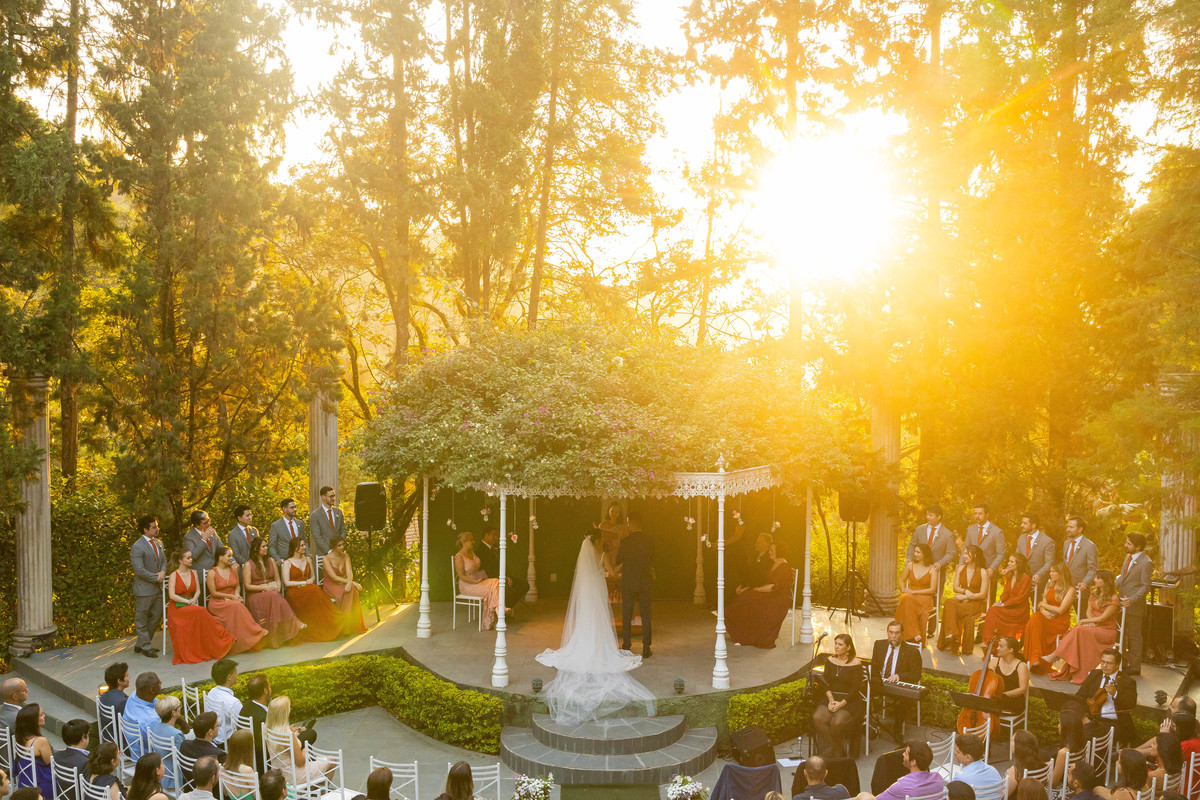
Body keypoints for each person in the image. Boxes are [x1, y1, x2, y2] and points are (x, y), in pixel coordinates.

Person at [534, 533, 655, 725]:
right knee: (598, 621)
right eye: (602, 540)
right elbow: (613, 572)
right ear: (597, 542)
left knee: (587, 621)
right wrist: (626, 563)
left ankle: (585, 644)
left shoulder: (587, 557)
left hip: (588, 594)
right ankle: (598, 647)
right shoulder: (601, 555)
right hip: (597, 591)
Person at [1045, 570, 1120, 682]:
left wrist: (1086, 622)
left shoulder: (1114, 597)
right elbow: (1089, 611)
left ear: (1106, 581)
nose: (1094, 580)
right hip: (1093, 627)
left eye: (1097, 578)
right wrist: (1090, 622)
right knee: (1079, 632)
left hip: (1107, 631)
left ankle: (1057, 654)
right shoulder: (1094, 593)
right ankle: (1071, 668)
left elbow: (1103, 618)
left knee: (1079, 629)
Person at [166, 548, 236, 664]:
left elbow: (198, 591)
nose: (191, 559)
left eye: (191, 557)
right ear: (180, 560)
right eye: (188, 558)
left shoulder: (194, 572)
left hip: (191, 606)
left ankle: (220, 642)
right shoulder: (174, 575)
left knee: (200, 612)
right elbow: (172, 595)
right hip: (177, 609)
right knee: (201, 611)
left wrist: (193, 599)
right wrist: (186, 601)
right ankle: (224, 637)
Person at [725, 536, 792, 650]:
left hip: (778, 598)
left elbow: (773, 587)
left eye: (772, 551)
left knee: (750, 597)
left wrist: (756, 590)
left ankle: (744, 632)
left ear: (778, 552)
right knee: (747, 596)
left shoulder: (784, 566)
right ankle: (737, 626)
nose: (769, 552)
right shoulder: (773, 563)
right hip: (770, 594)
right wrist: (750, 588)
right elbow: (764, 582)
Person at [242, 536, 305, 648]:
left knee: (275, 596)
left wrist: (278, 588)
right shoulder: (248, 564)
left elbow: (277, 579)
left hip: (272, 592)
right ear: (256, 548)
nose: (266, 548)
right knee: (274, 596)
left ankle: (276, 638)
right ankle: (294, 622)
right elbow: (247, 586)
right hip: (256, 595)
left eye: (266, 546)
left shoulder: (271, 561)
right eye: (263, 546)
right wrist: (264, 588)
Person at [204, 547, 268, 654]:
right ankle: (256, 631)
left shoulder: (233, 570)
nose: (231, 558)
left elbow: (237, 586)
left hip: (232, 599)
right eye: (228, 556)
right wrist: (232, 597)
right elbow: (213, 593)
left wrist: (237, 594)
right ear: (220, 558)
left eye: (231, 555)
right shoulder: (212, 573)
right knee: (236, 605)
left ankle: (247, 640)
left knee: (236, 605)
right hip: (218, 603)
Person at [812, 634, 864, 757]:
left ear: (848, 647)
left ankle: (834, 752)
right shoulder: (830, 660)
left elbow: (855, 689)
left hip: (848, 700)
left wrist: (841, 704)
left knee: (837, 722)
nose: (836, 646)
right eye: (835, 643)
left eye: (840, 644)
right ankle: (838, 750)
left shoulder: (856, 663)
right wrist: (831, 700)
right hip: (832, 697)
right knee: (817, 718)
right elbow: (826, 683)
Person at [282, 538, 343, 641]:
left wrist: (307, 582)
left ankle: (330, 622)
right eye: (301, 545)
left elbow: (313, 577)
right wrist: (303, 583)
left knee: (315, 589)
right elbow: (287, 583)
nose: (304, 547)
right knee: (314, 590)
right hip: (294, 591)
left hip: (308, 588)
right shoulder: (287, 562)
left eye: (304, 545)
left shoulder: (307, 559)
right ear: (295, 548)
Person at [871, 620, 922, 741]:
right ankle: (869, 722)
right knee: (862, 690)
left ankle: (897, 728)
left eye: (897, 633)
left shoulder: (912, 651)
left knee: (906, 698)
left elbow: (916, 674)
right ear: (887, 632)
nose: (893, 636)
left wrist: (899, 676)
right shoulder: (879, 645)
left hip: (897, 685)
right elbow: (873, 666)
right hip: (879, 683)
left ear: (902, 633)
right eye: (891, 632)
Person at [1076, 648, 1137, 746]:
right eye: (1103, 661)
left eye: (1109, 663)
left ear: (1117, 665)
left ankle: (1089, 758)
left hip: (1114, 723)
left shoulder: (1128, 682)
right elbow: (1080, 696)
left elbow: (1131, 704)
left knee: (1087, 734)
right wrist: (1084, 716)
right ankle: (1068, 754)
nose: (1104, 665)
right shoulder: (1094, 674)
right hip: (1091, 718)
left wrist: (1115, 694)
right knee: (1070, 725)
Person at [264, 696, 332, 784]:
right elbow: (300, 762)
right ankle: (322, 795)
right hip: (294, 775)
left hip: (278, 772)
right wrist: (305, 750)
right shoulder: (287, 735)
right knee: (332, 761)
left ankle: (311, 792)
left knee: (319, 762)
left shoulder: (268, 730)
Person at [617, 512, 656, 656]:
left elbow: (619, 560)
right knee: (646, 615)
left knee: (627, 615)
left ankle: (627, 646)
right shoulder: (650, 540)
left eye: (628, 523)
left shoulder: (625, 542)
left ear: (632, 524)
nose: (627, 525)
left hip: (628, 582)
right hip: (645, 582)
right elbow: (652, 558)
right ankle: (646, 647)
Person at [939, 545, 990, 654]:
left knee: (955, 610)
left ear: (975, 555)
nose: (964, 556)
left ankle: (954, 638)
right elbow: (955, 587)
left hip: (975, 603)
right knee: (949, 602)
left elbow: (982, 594)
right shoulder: (961, 568)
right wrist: (965, 591)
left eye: (967, 553)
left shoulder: (983, 572)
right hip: (962, 600)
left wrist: (965, 597)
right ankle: (953, 634)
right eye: (964, 553)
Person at [1026, 563, 1077, 672]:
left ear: (1061, 573)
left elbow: (1061, 610)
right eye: (1050, 571)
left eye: (1053, 571)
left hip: (1059, 622)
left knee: (1035, 619)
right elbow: (1042, 605)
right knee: (1035, 617)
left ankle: (1035, 658)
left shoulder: (1070, 590)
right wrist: (1043, 611)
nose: (1051, 574)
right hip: (1046, 617)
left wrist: (1042, 605)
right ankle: (1035, 658)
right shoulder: (1049, 585)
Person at [1115, 533, 1152, 675]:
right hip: (1120, 602)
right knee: (1120, 633)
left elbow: (1145, 586)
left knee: (1134, 636)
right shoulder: (1127, 557)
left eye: (1129, 543)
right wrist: (1108, 586)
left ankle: (1135, 666)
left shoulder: (1146, 562)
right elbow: (1122, 578)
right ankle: (1122, 663)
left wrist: (1132, 599)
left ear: (1138, 547)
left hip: (1134, 606)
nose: (1125, 545)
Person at [130, 514, 166, 657]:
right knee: (141, 618)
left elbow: (163, 560)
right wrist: (156, 578)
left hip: (157, 588)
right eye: (154, 527)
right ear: (145, 530)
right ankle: (145, 646)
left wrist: (163, 571)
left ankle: (141, 644)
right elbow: (138, 570)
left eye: (156, 525)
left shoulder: (159, 543)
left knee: (156, 615)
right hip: (144, 590)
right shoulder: (137, 547)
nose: (157, 529)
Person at [452, 532, 501, 631]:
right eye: (471, 540)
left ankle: (491, 619)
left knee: (497, 582)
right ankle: (497, 616)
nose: (473, 542)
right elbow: (461, 576)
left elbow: (476, 570)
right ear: (464, 542)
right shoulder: (459, 557)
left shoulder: (472, 552)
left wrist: (480, 578)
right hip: (467, 585)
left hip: (478, 580)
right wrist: (475, 582)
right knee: (493, 586)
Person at [322, 535, 368, 636]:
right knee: (351, 589)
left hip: (344, 582)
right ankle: (345, 626)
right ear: (334, 546)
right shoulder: (326, 559)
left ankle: (346, 626)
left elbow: (349, 572)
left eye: (343, 545)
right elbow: (333, 577)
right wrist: (351, 583)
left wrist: (349, 582)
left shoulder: (346, 556)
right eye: (339, 545)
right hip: (332, 585)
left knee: (352, 590)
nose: (342, 547)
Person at [982, 553, 1032, 642]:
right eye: (1009, 561)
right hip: (1008, 606)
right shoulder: (1010, 575)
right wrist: (1000, 601)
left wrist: (1004, 604)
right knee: (992, 609)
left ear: (1018, 564)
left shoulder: (1026, 578)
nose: (1008, 563)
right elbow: (1006, 593)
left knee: (993, 612)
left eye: (1011, 562)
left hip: (1019, 611)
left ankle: (991, 641)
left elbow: (1020, 598)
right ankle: (990, 641)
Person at [870, 740, 944, 800]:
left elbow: (875, 799)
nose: (903, 754)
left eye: (906, 753)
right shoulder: (938, 780)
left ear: (913, 762)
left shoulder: (901, 785)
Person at [896, 543, 938, 643]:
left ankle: (910, 634)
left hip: (924, 597)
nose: (915, 554)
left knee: (906, 599)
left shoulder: (932, 569)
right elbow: (901, 580)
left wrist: (913, 591)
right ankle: (915, 633)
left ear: (925, 554)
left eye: (918, 552)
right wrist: (903, 589)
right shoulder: (910, 565)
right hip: (910, 596)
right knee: (906, 598)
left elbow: (932, 589)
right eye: (914, 551)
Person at [477, 527, 529, 607]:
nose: (496, 537)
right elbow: (488, 571)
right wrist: (503, 579)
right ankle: (501, 611)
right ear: (486, 535)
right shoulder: (480, 550)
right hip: (494, 581)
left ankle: (505, 607)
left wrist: (508, 576)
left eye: (496, 535)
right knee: (511, 593)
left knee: (524, 586)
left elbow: (503, 564)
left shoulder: (496, 547)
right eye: (493, 535)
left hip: (504, 577)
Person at [13, 705, 53, 800]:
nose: (44, 716)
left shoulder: (21, 737)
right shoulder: (41, 741)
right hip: (42, 786)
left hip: (24, 783)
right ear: (33, 721)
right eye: (41, 715)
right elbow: (52, 765)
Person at [906, 505, 958, 570]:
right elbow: (912, 545)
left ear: (939, 517)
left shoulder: (948, 534)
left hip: (937, 571)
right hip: (918, 569)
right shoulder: (919, 529)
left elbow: (951, 553)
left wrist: (940, 563)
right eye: (927, 514)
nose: (928, 517)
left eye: (931, 515)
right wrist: (909, 558)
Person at [987, 636, 1030, 714]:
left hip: (1013, 702)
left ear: (1010, 650)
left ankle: (988, 723)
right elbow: (989, 679)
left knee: (988, 707)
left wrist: (1002, 695)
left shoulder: (1021, 666)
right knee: (981, 704)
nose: (997, 648)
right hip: (995, 699)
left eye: (1001, 646)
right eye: (998, 645)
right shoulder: (994, 661)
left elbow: (1023, 689)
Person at [178, 713, 225, 784]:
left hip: (189, 787)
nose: (219, 728)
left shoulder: (185, 745)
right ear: (210, 732)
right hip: (211, 792)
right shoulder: (218, 755)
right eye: (218, 726)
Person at [123, 673, 162, 757]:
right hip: (151, 759)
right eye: (159, 683)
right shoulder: (152, 720)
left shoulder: (133, 697)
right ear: (152, 690)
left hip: (134, 751)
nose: (161, 683)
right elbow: (163, 746)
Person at [149, 697, 184, 790]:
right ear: (173, 712)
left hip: (160, 774)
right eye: (179, 706)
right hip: (175, 778)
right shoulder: (176, 734)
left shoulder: (155, 727)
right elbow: (183, 758)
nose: (181, 708)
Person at [1062, 516, 1099, 605]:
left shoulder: (1089, 546)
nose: (1067, 529)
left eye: (1071, 527)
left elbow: (1093, 569)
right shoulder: (1066, 543)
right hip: (1065, 588)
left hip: (1080, 591)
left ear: (1080, 529)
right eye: (1067, 527)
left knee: (1081, 616)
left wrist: (1084, 582)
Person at [206, 659, 242, 746]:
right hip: (229, 742)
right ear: (229, 677)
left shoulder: (212, 692)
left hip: (215, 737)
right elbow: (244, 724)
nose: (237, 675)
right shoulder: (233, 702)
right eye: (235, 673)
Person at [964, 504, 1006, 577]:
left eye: (980, 514)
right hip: (971, 572)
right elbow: (965, 548)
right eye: (975, 513)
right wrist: (961, 564)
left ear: (987, 515)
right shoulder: (970, 530)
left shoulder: (997, 531)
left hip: (988, 572)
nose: (977, 516)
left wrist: (992, 568)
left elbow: (1001, 553)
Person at [1052, 707, 1088, 788]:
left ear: (1066, 727)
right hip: (1074, 785)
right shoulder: (1082, 743)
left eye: (1060, 723)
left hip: (1062, 790)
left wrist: (1044, 776)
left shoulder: (1063, 752)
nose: (1058, 726)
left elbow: (1053, 783)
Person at [1015, 513, 1054, 587]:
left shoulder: (1047, 541)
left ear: (1033, 525)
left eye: (1024, 523)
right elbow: (1017, 558)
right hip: (1021, 581)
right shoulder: (1021, 538)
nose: (1021, 525)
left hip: (1039, 583)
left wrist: (1039, 574)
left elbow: (1049, 563)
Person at [244, 675, 271, 773]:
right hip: (266, 759)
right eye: (269, 687)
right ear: (265, 691)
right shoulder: (263, 717)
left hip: (249, 754)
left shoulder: (247, 705)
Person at [308, 485, 345, 557]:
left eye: (334, 496)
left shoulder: (339, 512)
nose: (333, 498)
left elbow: (343, 530)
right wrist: (329, 551)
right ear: (323, 497)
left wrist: (339, 546)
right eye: (331, 496)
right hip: (324, 555)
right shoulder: (315, 515)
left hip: (339, 552)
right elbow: (317, 537)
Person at [1006, 730, 1044, 797]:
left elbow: (1004, 795)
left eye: (1012, 741)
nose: (1010, 742)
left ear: (1018, 746)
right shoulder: (1043, 765)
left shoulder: (1015, 771)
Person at [269, 499, 307, 564]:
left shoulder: (300, 523)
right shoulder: (276, 525)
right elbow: (272, 546)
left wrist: (308, 554)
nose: (295, 509)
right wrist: (277, 559)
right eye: (292, 507)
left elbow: (304, 541)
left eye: (295, 507)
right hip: (284, 561)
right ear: (284, 509)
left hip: (300, 560)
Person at [223, 730, 258, 798]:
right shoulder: (247, 770)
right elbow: (258, 798)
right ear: (247, 748)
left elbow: (226, 793)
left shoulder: (224, 768)